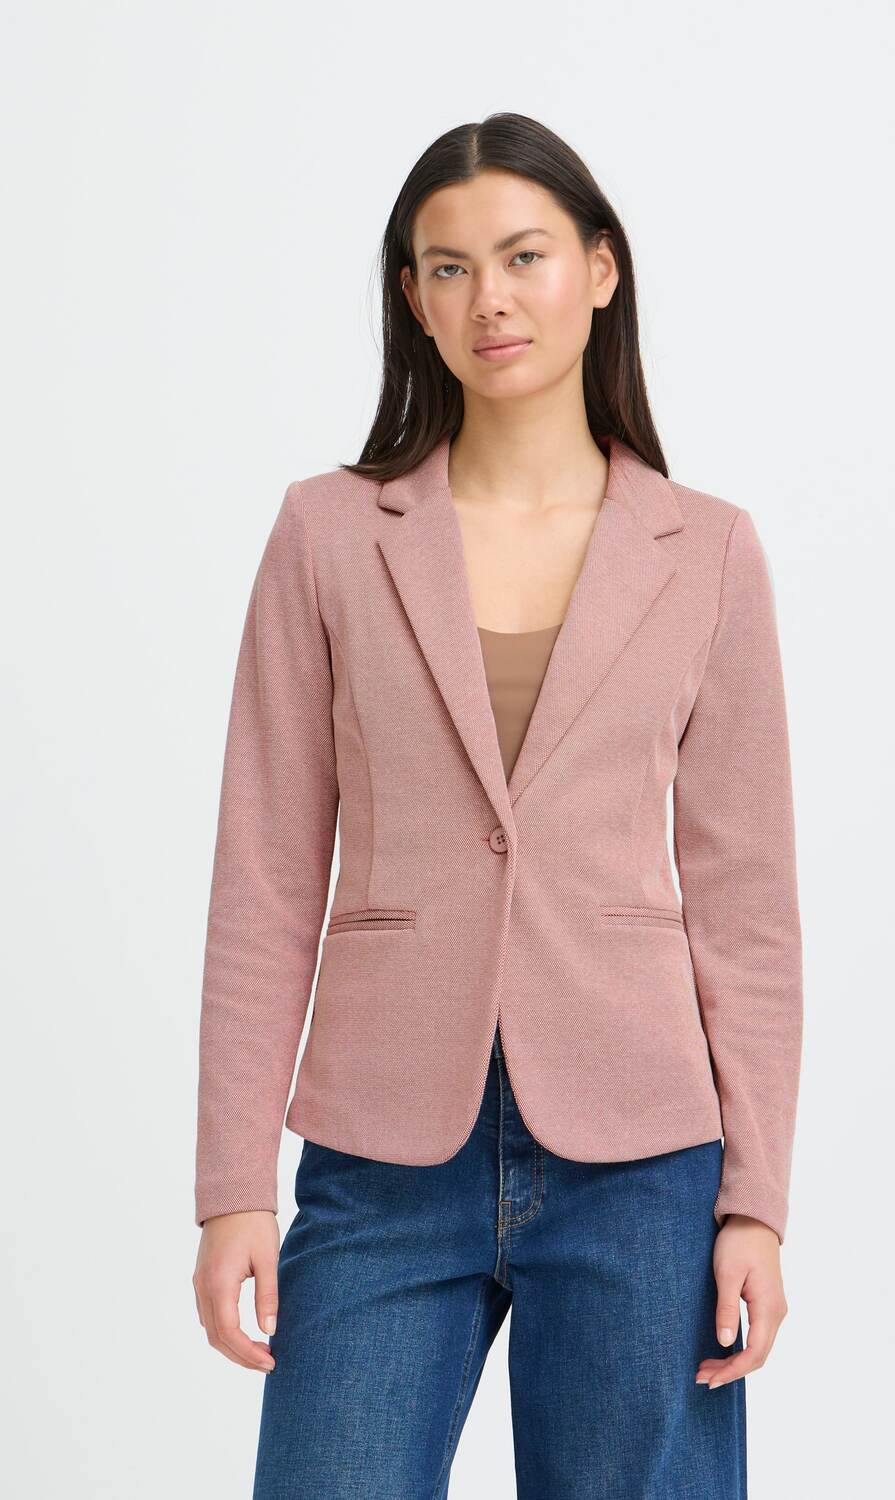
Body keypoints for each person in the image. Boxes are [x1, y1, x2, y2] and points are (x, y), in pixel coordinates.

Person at [192, 111, 803, 1499]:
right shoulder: (328, 535)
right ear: (414, 299)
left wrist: (756, 1201)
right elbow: (266, 873)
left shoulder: (707, 552)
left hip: (643, 1161)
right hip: (384, 1147)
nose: (490, 299)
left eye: (525, 256)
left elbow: (749, 905)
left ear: (601, 270)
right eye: (449, 267)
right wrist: (232, 1182)